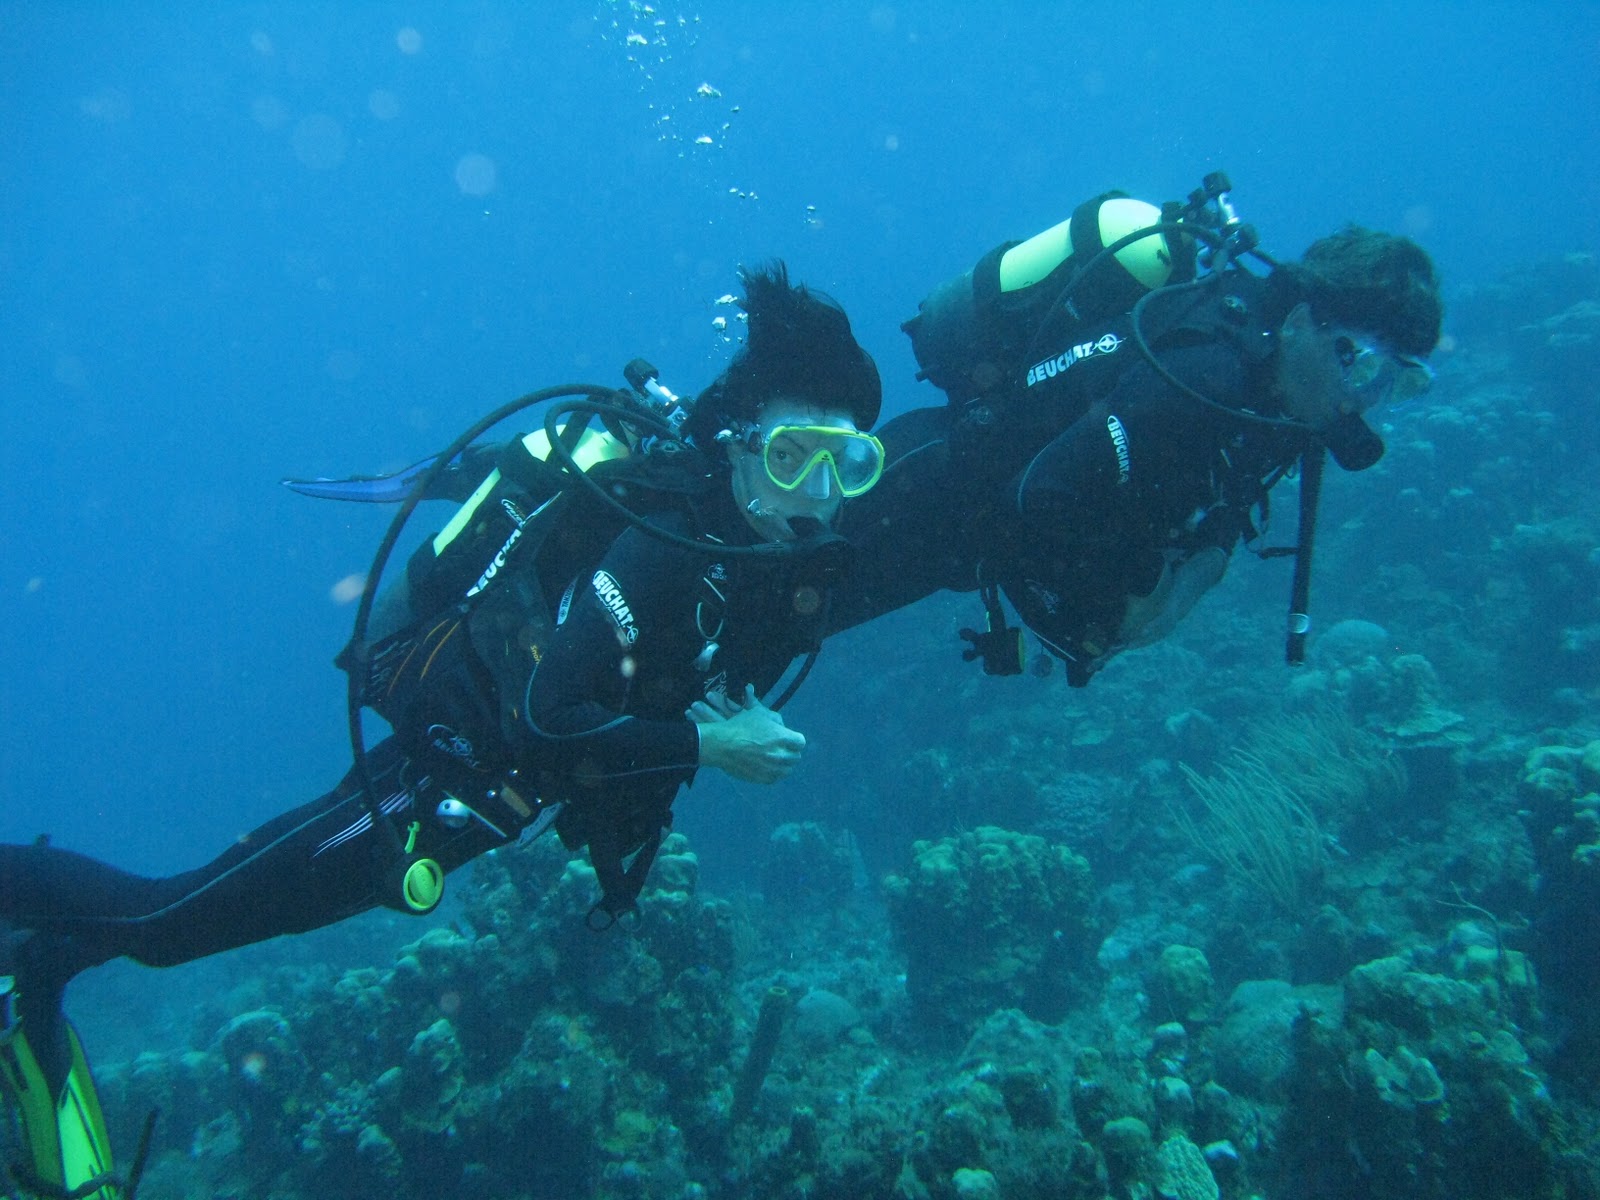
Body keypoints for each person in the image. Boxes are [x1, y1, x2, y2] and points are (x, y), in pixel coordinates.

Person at [0, 262, 884, 1197]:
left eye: (848, 463)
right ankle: (47, 943)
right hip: (431, 789)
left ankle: (44, 965)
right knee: (169, 921)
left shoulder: (736, 552)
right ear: (739, 446)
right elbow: (545, 723)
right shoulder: (664, 537)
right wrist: (711, 746)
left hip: (475, 809)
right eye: (793, 456)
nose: (819, 492)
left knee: (180, 920)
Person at [831, 183, 1443, 685]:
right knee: (764, 614)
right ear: (1304, 321)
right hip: (927, 492)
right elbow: (1034, 498)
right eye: (1359, 364)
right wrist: (1112, 609)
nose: (1363, 400)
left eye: (1395, 382)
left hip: (956, 533)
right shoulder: (1210, 376)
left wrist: (1188, 575)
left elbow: (1223, 503)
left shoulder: (1278, 399)